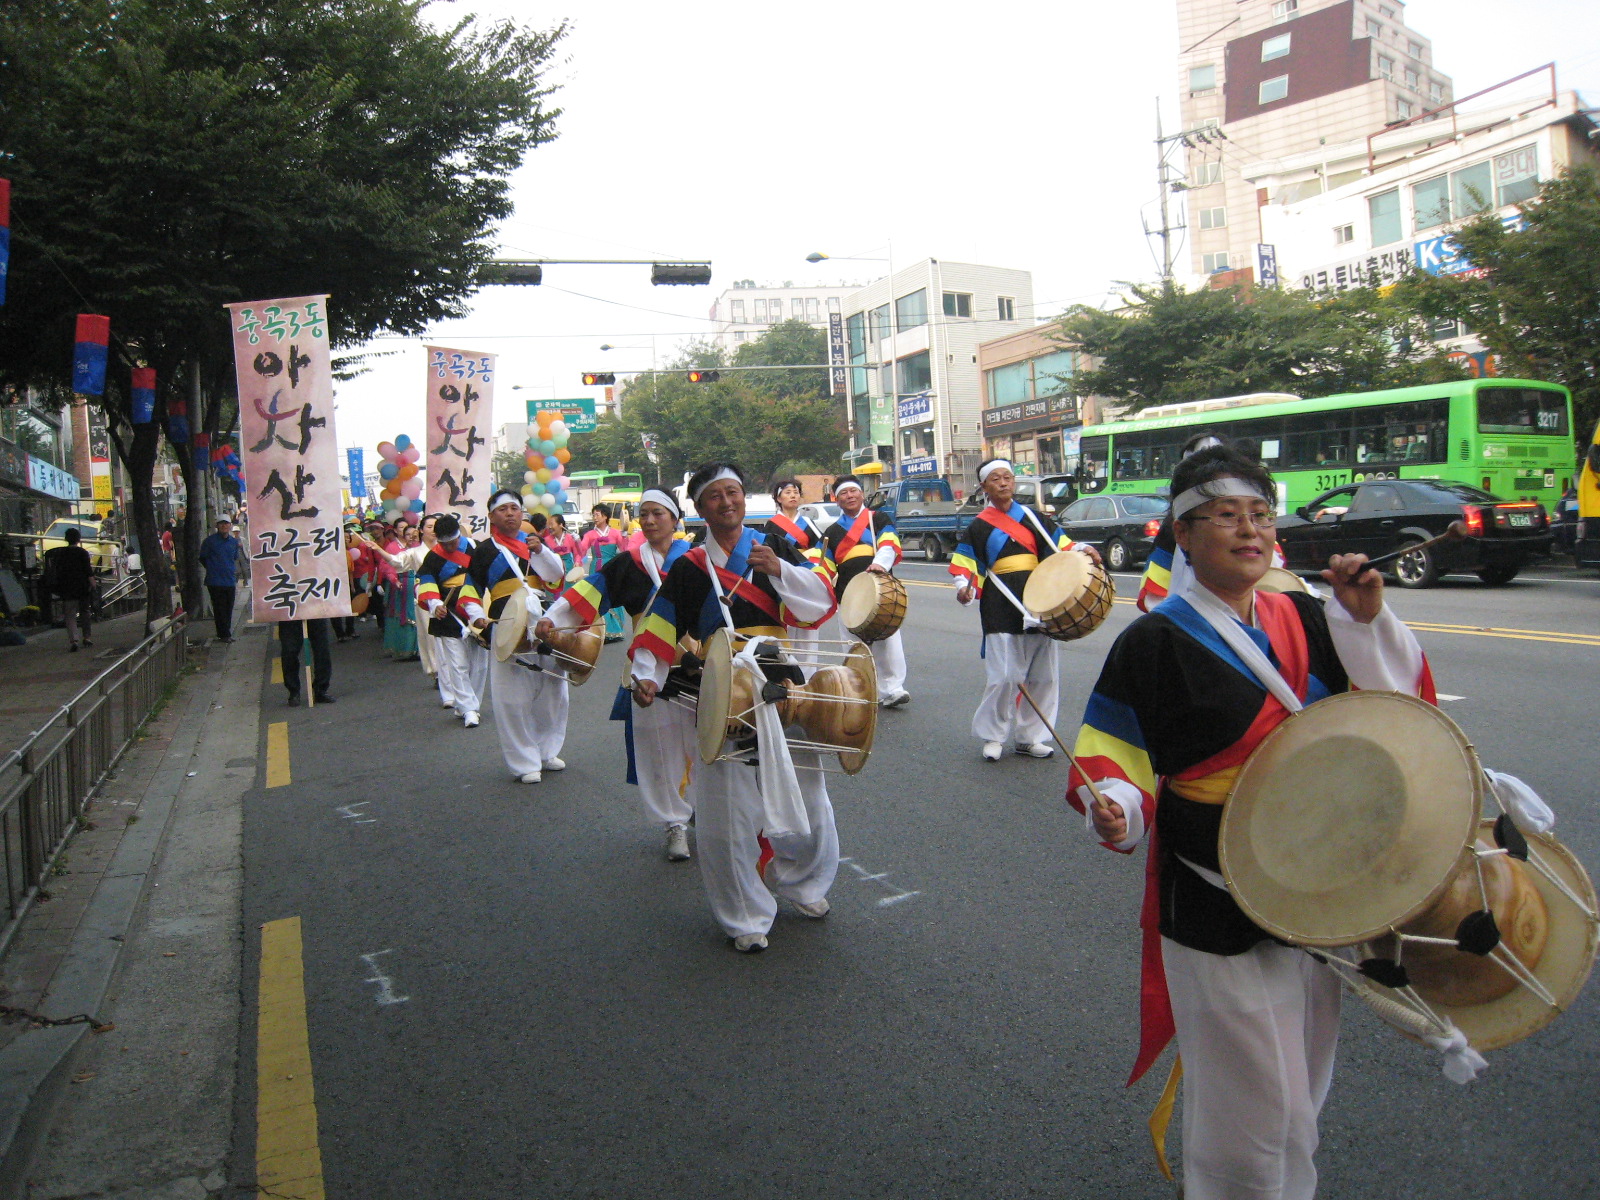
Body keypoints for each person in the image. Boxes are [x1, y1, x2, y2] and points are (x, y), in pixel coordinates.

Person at [1067, 444, 1435, 1200]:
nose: (1249, 530)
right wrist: (1120, 812)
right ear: (1183, 534)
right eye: (1225, 516)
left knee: (1303, 1078)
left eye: (1260, 515)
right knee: (1249, 1097)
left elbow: (1393, 712)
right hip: (1211, 893)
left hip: (1313, 882)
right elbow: (1114, 756)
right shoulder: (1154, 641)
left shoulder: (1307, 612)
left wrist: (1368, 621)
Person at [630, 462, 838, 953]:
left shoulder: (776, 546)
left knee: (808, 792)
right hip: (719, 686)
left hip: (783, 681)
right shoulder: (688, 567)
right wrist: (645, 673)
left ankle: (802, 882)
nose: (727, 502)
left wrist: (780, 570)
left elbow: (819, 599)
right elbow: (659, 625)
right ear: (700, 510)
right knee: (727, 810)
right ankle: (744, 914)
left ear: (745, 498)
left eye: (734, 493)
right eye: (715, 497)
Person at [540, 487, 697, 857]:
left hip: (698, 659)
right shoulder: (628, 565)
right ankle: (674, 823)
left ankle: (704, 809)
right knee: (659, 746)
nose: (650, 520)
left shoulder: (695, 559)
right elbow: (588, 592)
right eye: (644, 513)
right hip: (647, 662)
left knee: (703, 739)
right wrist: (552, 617)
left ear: (675, 519)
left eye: (659, 513)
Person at [949, 459, 1093, 761]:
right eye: (996, 479)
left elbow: (1062, 546)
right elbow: (965, 565)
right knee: (1003, 675)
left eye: (1008, 477)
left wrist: (1082, 549)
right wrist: (964, 587)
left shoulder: (1033, 517)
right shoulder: (979, 526)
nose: (1003, 483)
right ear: (984, 487)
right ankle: (993, 736)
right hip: (1000, 601)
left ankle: (1031, 737)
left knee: (1043, 675)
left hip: (1040, 598)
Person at [463, 491, 567, 782]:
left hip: (545, 621)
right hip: (507, 625)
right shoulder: (483, 551)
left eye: (514, 508)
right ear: (491, 516)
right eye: (502, 509)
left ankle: (547, 751)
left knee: (554, 688)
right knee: (512, 695)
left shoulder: (534, 544)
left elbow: (556, 577)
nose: (510, 513)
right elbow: (469, 588)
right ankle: (524, 762)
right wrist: (476, 616)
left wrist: (541, 552)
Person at [819, 475, 909, 708]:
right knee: (853, 644)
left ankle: (892, 689)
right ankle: (860, 688)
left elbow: (889, 542)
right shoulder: (832, 531)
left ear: (861, 494)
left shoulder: (878, 519)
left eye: (853, 491)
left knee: (887, 640)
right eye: (843, 494)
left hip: (878, 587)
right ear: (836, 500)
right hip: (848, 592)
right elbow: (825, 565)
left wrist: (880, 563)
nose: (849, 496)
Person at [416, 514, 487, 727]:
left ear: (459, 535)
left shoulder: (476, 549)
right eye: (443, 543)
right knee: (458, 664)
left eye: (453, 542)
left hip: (477, 611)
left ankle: (469, 702)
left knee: (479, 665)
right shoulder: (432, 558)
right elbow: (425, 584)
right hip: (448, 616)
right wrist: (434, 604)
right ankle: (469, 709)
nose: (448, 546)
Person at [578, 504, 627, 643]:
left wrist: (624, 537)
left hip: (612, 568)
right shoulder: (589, 535)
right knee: (597, 598)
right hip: (596, 568)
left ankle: (615, 631)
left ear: (605, 516)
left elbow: (625, 550)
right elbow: (581, 550)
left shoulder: (616, 533)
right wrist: (576, 542)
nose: (595, 517)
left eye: (597, 514)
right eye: (593, 515)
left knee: (614, 596)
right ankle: (601, 630)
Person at [42, 528, 94, 652]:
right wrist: (93, 584)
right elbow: (88, 570)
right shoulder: (82, 552)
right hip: (82, 587)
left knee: (70, 615)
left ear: (66, 539)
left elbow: (57, 571)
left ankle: (73, 640)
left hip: (66, 588)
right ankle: (86, 637)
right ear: (78, 539)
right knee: (85, 612)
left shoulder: (60, 554)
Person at [198, 516, 244, 642]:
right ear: (217, 526)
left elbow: (234, 558)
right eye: (221, 524)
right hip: (215, 581)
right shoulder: (209, 542)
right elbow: (202, 558)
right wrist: (213, 568)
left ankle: (226, 632)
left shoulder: (233, 542)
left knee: (229, 607)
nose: (224, 526)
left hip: (229, 580)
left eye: (226, 524)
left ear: (230, 526)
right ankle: (224, 634)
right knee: (219, 608)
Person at [278, 618, 334, 706]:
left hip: (315, 610)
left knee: (322, 649)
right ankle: (293, 691)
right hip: (290, 614)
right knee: (289, 651)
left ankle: (321, 689)